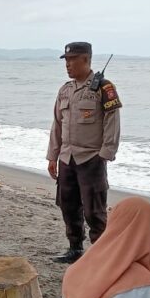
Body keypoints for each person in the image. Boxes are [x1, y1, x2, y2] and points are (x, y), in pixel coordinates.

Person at [47, 42, 121, 264]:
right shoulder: (65, 90)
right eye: (66, 60)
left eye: (72, 59)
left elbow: (112, 122)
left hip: (91, 158)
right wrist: (53, 155)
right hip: (67, 158)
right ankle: (75, 249)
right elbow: (57, 125)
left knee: (94, 211)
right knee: (68, 206)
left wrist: (105, 154)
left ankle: (101, 254)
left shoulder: (103, 88)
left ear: (86, 60)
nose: (68, 64)